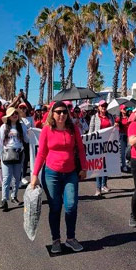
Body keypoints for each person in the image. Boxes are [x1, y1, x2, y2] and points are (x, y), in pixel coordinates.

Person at [30, 101, 87, 254]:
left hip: (70, 173)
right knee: (55, 207)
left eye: (64, 111)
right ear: (52, 114)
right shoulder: (47, 130)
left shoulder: (73, 129)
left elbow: (81, 149)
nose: (62, 114)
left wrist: (84, 167)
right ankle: (56, 239)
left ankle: (70, 238)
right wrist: (34, 175)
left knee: (71, 206)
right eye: (58, 112)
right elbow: (41, 153)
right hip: (51, 174)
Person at [0, 107, 29, 210]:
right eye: (12, 114)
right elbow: (0, 143)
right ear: (8, 116)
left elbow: (26, 140)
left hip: (18, 153)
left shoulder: (22, 126)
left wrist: (29, 132)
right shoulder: (4, 127)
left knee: (17, 177)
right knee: (6, 178)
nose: (15, 115)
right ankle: (4, 199)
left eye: (16, 113)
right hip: (6, 154)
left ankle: (14, 196)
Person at [89, 100, 114, 197]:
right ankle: (98, 188)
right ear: (98, 107)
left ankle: (104, 184)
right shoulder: (94, 117)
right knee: (98, 166)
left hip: (108, 144)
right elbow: (91, 130)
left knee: (106, 165)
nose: (103, 107)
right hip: (97, 144)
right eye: (102, 106)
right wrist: (89, 140)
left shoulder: (110, 117)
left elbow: (113, 129)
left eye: (105, 106)